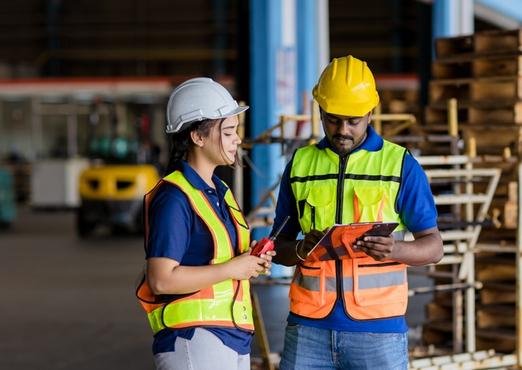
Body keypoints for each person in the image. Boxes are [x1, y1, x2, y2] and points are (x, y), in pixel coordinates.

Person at [271, 55, 444, 369]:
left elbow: (434, 247)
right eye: (333, 119)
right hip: (308, 327)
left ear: (370, 112)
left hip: (378, 332)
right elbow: (277, 247)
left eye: (354, 121)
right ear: (321, 111)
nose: (343, 130)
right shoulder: (300, 165)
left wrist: (395, 249)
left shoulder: (400, 165)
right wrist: (298, 248)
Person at [136, 77, 274, 370]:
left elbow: (220, 257)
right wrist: (234, 268)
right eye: (228, 132)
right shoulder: (174, 197)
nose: (237, 139)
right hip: (194, 337)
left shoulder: (220, 192)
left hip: (231, 334)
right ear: (198, 137)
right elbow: (160, 279)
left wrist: (252, 261)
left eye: (236, 130)